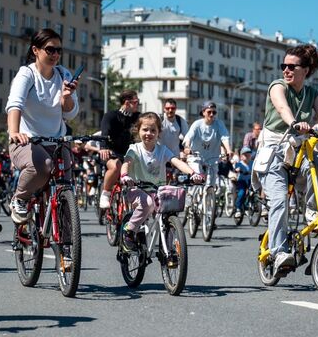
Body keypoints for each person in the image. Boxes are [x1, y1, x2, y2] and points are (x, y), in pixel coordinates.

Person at [259, 44, 318, 272]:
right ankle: (278, 252)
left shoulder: (311, 94)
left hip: (296, 151)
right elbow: (282, 107)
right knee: (280, 200)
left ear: (306, 70)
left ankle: (312, 213)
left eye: (292, 66)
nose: (286, 70)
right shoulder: (277, 86)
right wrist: (293, 123)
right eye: (284, 66)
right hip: (274, 151)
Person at [5, 28, 80, 223]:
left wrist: (67, 96)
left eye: (58, 50)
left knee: (66, 186)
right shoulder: (27, 74)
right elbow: (15, 104)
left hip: (57, 140)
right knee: (43, 166)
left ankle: (66, 247)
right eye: (50, 49)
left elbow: (70, 113)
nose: (55, 54)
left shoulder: (64, 74)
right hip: (27, 140)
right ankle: (20, 198)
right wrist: (14, 132)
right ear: (36, 50)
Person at [119, 112, 202, 251]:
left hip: (157, 190)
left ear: (158, 132)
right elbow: (126, 163)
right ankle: (129, 230)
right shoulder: (134, 149)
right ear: (138, 130)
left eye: (153, 130)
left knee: (170, 211)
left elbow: (176, 161)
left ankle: (169, 250)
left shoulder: (162, 150)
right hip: (136, 189)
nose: (149, 133)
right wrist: (125, 176)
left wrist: (193, 173)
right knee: (148, 203)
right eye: (145, 129)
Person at [98, 90, 140, 210]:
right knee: (116, 166)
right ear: (127, 103)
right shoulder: (110, 116)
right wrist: (104, 148)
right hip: (112, 153)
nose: (138, 104)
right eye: (136, 102)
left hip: (129, 154)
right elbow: (104, 133)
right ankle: (105, 194)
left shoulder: (138, 117)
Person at [183, 100, 233, 189]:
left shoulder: (219, 124)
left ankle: (208, 199)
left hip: (212, 158)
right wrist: (187, 147)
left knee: (211, 185)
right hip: (196, 156)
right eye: (209, 112)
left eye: (214, 112)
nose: (211, 114)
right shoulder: (197, 124)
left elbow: (225, 137)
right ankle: (191, 196)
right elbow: (189, 137)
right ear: (203, 112)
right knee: (197, 178)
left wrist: (228, 150)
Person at [233, 147, 253, 219]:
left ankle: (249, 206)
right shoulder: (239, 164)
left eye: (249, 155)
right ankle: (238, 208)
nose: (248, 156)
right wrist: (237, 170)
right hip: (242, 182)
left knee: (253, 193)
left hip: (251, 182)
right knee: (241, 192)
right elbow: (236, 169)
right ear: (241, 156)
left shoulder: (252, 163)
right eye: (245, 155)